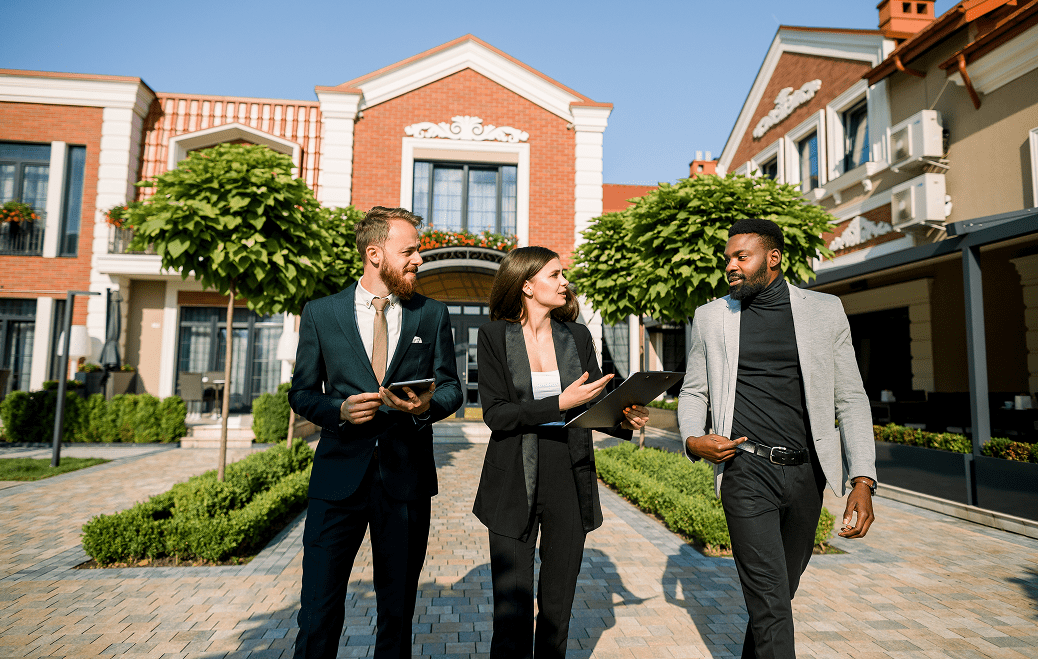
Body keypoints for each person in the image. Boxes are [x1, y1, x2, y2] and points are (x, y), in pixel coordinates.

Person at [678, 218, 877, 659]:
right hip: (745, 470)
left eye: (741, 257)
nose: (730, 265)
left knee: (779, 595)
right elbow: (694, 391)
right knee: (770, 602)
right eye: (728, 258)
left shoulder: (825, 311)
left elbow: (850, 398)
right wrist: (692, 439)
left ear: (773, 258)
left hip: (807, 475)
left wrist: (862, 479)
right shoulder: (712, 316)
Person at [288, 206, 463, 659]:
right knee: (317, 613)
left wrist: (426, 406)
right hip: (337, 481)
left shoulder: (432, 314)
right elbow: (302, 393)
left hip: (406, 482)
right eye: (409, 251)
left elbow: (452, 388)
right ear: (374, 254)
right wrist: (338, 410)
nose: (419, 260)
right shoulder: (321, 313)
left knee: (397, 615)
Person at [472, 246, 649, 659]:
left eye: (562, 274)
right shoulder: (493, 336)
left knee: (557, 609)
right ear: (526, 285)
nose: (564, 282)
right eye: (554, 275)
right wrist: (559, 404)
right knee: (511, 614)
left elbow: (593, 409)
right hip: (513, 479)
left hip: (570, 475)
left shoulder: (578, 336)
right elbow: (497, 414)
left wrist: (624, 419)